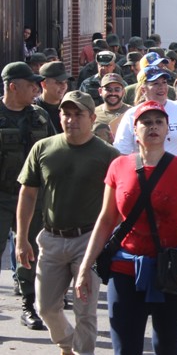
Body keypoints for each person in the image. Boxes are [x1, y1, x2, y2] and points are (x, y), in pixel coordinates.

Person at [75, 101, 177, 354]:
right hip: (125, 269)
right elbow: (105, 220)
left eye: (159, 122)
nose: (153, 127)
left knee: (166, 348)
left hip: (170, 271)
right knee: (125, 349)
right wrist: (83, 267)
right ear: (135, 130)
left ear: (168, 129)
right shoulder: (118, 166)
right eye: (146, 122)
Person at [16, 91, 119, 354]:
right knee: (45, 307)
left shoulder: (108, 155)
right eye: (66, 114)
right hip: (50, 239)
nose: (71, 120)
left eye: (78, 114)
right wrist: (22, 237)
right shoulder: (44, 148)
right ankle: (67, 344)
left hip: (88, 240)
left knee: (85, 310)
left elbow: (120, 201)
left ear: (92, 117)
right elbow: (28, 193)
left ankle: (83, 352)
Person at [0, 62, 55, 330]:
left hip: (32, 196)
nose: (36, 88)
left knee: (29, 251)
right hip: (1, 196)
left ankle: (28, 306)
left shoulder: (40, 116)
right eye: (31, 84)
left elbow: (56, 151)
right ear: (13, 86)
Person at [34, 61, 69, 133]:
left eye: (65, 82)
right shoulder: (33, 108)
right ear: (44, 84)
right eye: (59, 82)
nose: (64, 86)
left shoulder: (69, 108)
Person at [95, 73, 131, 139]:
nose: (113, 93)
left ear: (123, 92)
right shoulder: (93, 114)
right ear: (100, 91)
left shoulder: (131, 113)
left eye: (117, 90)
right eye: (109, 90)